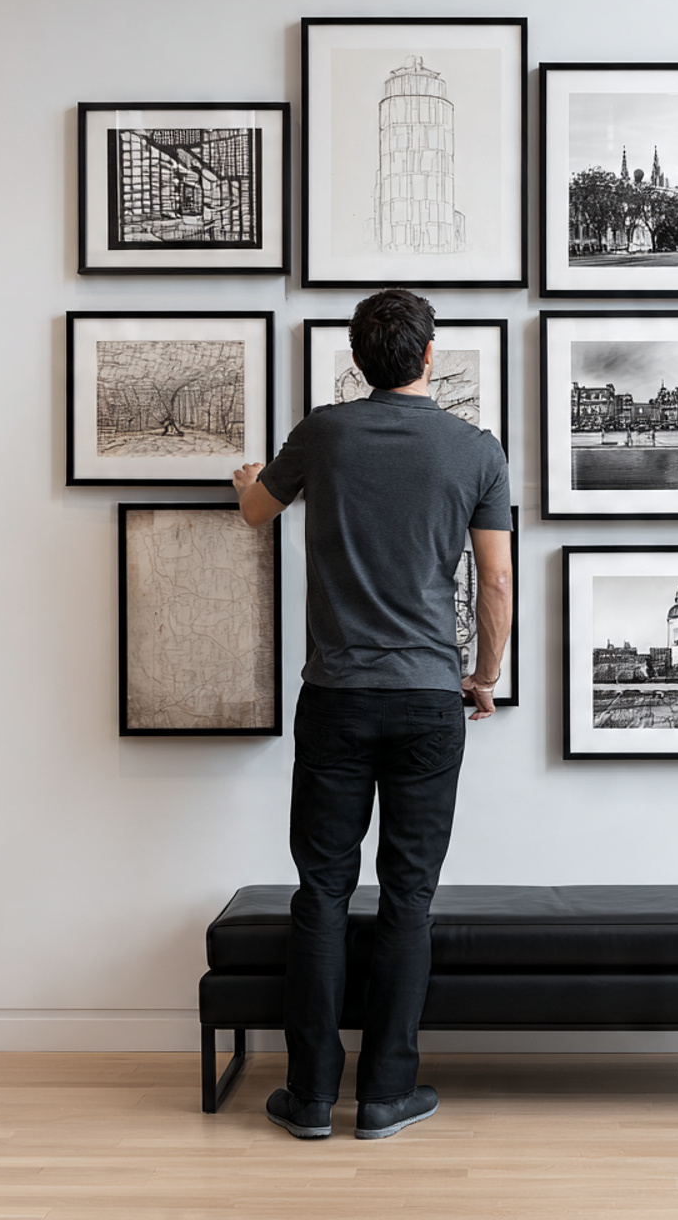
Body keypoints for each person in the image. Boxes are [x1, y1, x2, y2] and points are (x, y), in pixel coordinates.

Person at [231, 288, 512, 1141]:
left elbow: (256, 510)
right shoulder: (476, 450)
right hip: (430, 700)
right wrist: (482, 675)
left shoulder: (324, 432)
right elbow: (494, 582)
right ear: (430, 355)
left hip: (337, 697)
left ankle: (311, 1097)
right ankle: (387, 1095)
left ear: (360, 360)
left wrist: (247, 477)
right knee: (408, 895)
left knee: (320, 891)